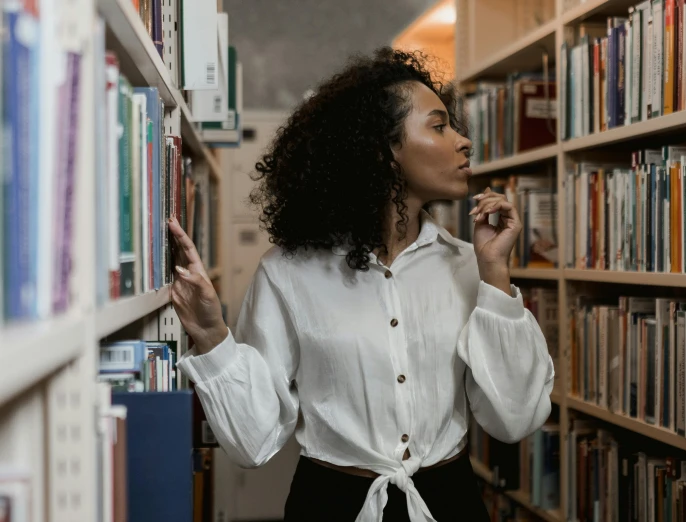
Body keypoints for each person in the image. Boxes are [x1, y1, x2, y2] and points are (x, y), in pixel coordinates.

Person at [167, 47, 554, 522]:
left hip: (448, 503)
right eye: (439, 126)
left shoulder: (466, 264)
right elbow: (253, 441)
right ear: (381, 149)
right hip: (331, 507)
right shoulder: (288, 271)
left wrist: (494, 273)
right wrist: (211, 337)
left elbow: (514, 419)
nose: (464, 142)